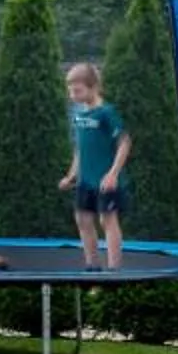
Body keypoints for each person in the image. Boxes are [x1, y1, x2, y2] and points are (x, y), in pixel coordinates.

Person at [59, 60, 132, 270]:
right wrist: (71, 176)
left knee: (107, 220)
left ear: (94, 87)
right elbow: (80, 149)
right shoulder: (78, 115)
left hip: (105, 180)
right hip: (85, 180)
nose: (73, 96)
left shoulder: (106, 113)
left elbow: (125, 142)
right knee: (82, 219)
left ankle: (114, 269)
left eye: (77, 91)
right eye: (70, 91)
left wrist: (113, 174)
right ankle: (92, 264)